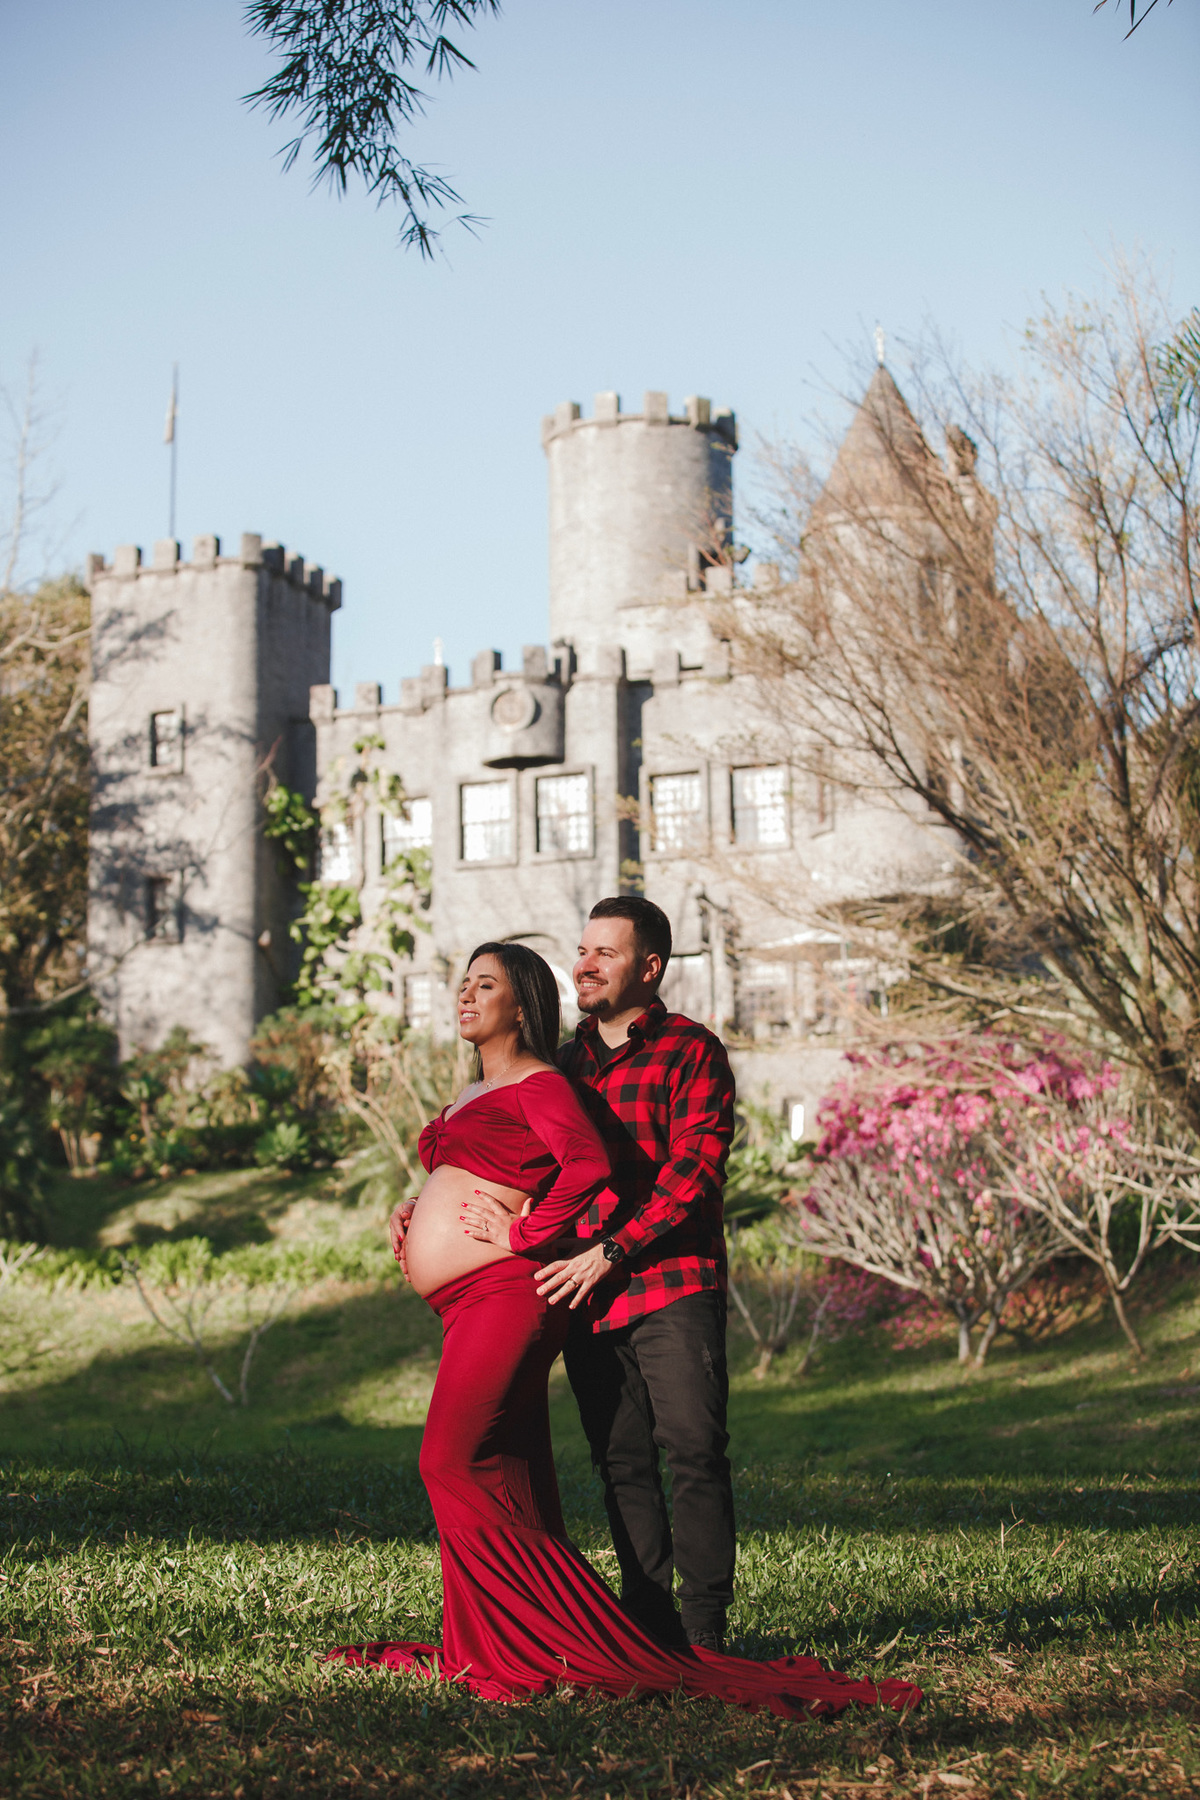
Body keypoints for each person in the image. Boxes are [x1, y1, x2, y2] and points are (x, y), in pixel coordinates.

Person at [327, 941, 921, 1720]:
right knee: (509, 1473)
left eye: (485, 984)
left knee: (450, 1460)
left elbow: (588, 1166)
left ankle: (551, 1639)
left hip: (509, 1292)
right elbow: (480, 1172)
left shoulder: (543, 1081)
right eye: (462, 983)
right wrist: (417, 1208)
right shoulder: (479, 1089)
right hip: (464, 1300)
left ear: (522, 1004)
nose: (465, 995)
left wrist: (524, 1233)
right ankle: (503, 1643)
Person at [535, 896, 737, 1651]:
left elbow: (693, 1172)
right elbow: (522, 1165)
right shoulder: (562, 1065)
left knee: (694, 1450)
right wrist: (424, 1205)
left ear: (649, 968)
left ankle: (705, 1632)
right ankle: (650, 1629)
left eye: (604, 953)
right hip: (587, 1293)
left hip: (672, 1281)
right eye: (581, 950)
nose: (583, 965)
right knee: (620, 1461)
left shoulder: (692, 1051)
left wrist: (613, 1249)